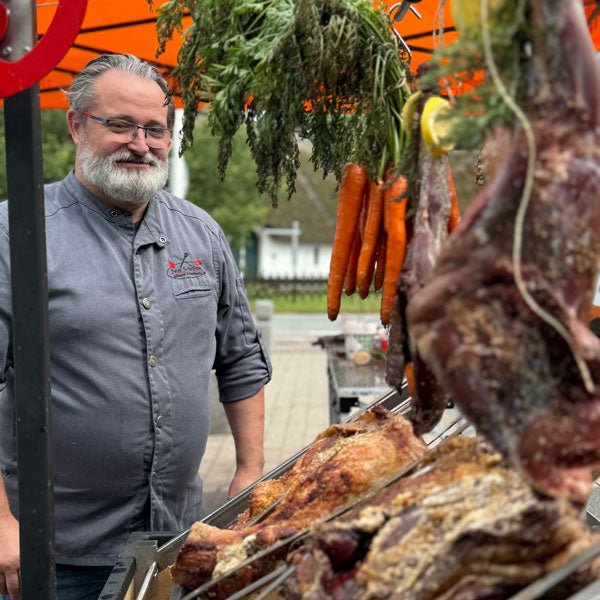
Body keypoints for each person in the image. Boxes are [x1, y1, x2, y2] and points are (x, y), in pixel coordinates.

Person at [0, 54, 272, 600]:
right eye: (120, 125)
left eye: (155, 129)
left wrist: (249, 471)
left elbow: (240, 359)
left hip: (175, 542)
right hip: (53, 554)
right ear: (76, 124)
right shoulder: (17, 234)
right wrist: (3, 525)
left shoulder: (201, 234)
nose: (140, 144)